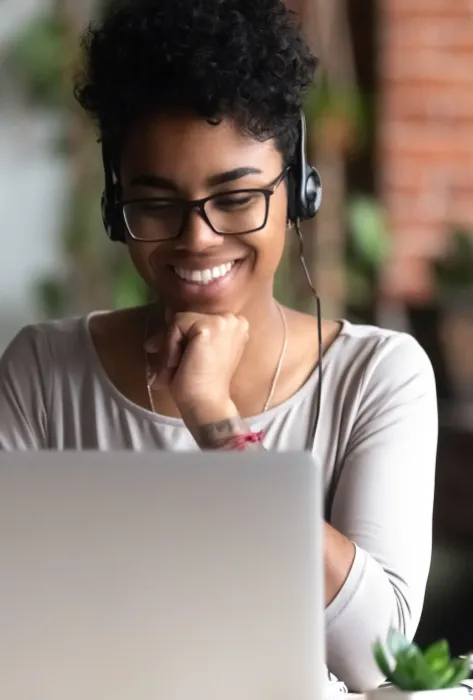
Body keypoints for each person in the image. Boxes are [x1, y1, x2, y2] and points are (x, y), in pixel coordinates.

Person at [0, 0, 437, 691]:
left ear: (296, 192)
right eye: (157, 203)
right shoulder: (42, 373)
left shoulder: (376, 376)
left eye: (235, 198)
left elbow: (379, 658)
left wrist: (213, 418)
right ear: (118, 211)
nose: (197, 238)